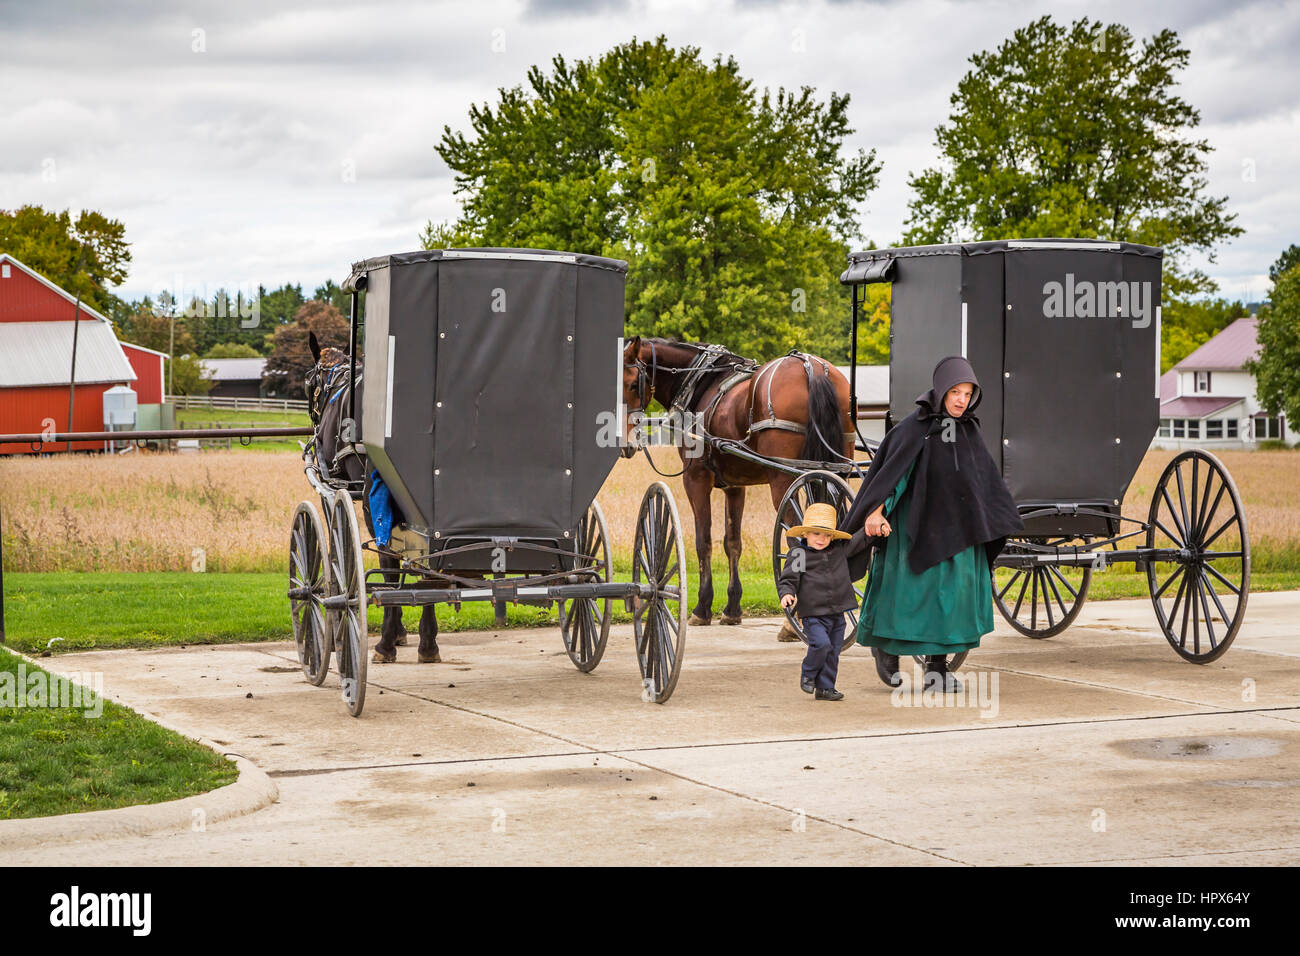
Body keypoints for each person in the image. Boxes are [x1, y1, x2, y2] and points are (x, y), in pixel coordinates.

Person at [840, 356, 1024, 692]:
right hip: (913, 529)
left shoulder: (969, 430)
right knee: (906, 594)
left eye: (967, 394)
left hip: (957, 534)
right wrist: (876, 511)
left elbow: (983, 483)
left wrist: (993, 521)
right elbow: (892, 474)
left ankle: (937, 670)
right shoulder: (914, 429)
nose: (960, 400)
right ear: (941, 390)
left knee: (952, 601)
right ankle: (885, 649)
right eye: (955, 392)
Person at [777, 502, 869, 700]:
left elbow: (859, 540)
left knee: (833, 651)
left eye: (827, 535)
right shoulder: (800, 554)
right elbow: (790, 577)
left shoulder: (837, 551)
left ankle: (825, 687)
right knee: (821, 645)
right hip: (813, 614)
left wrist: (872, 528)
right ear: (805, 534)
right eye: (816, 534)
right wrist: (787, 593)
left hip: (837, 612)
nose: (822, 539)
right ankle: (808, 674)